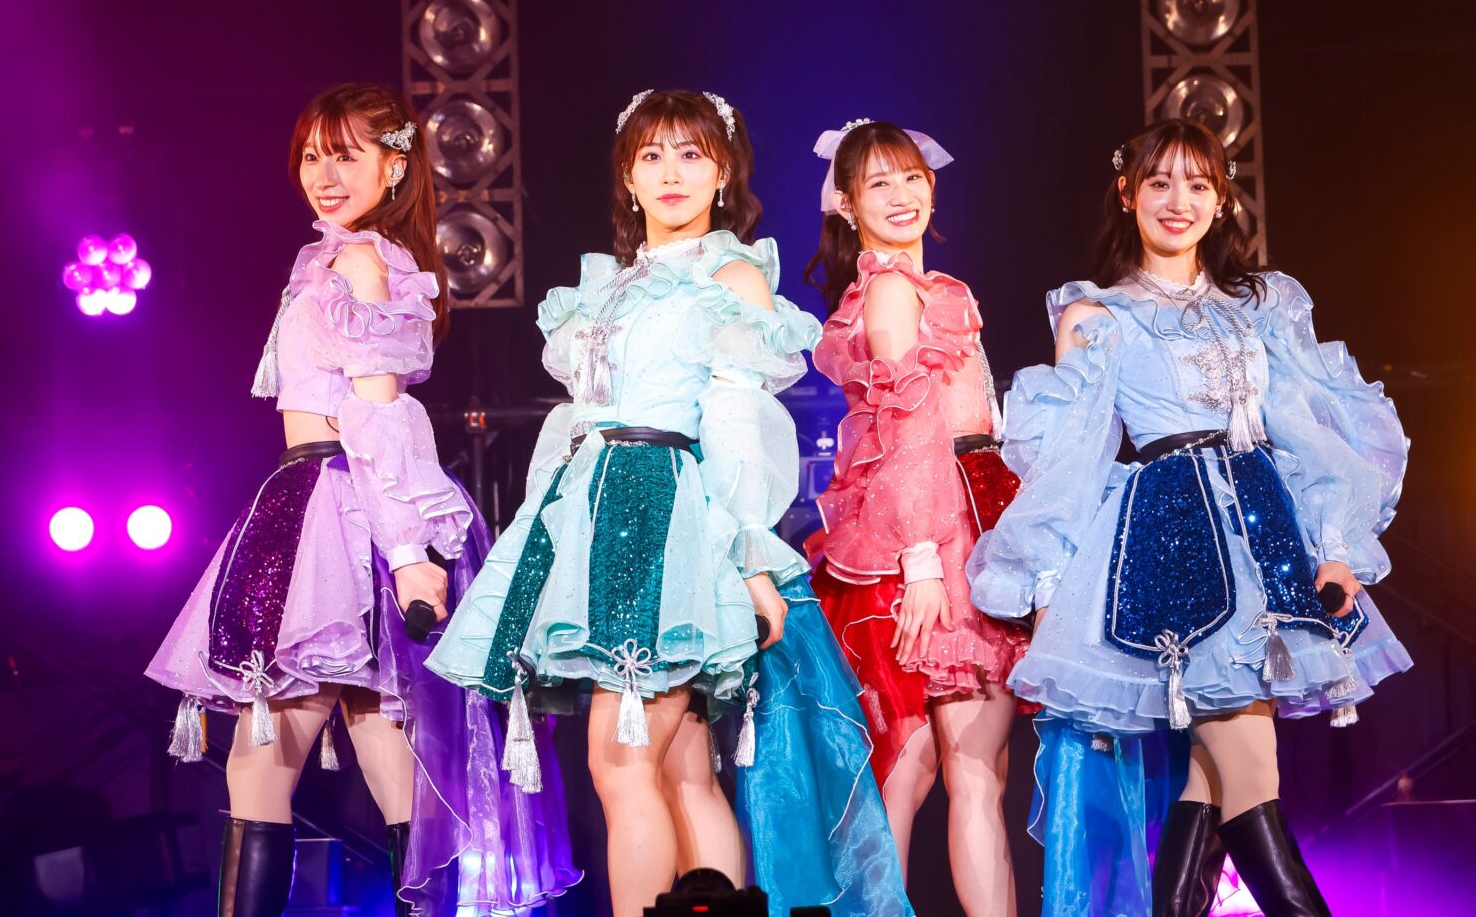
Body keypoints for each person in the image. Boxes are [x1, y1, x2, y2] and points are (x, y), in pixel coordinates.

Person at [428, 90, 908, 917]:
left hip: (658, 515)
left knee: (621, 764)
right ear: (627, 177)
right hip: (595, 510)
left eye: (691, 153)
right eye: (651, 155)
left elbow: (739, 425)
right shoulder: (611, 286)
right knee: (684, 771)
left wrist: (750, 559)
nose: (670, 172)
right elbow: (577, 421)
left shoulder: (728, 276)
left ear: (722, 173)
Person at [146, 83, 577, 916]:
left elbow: (380, 416)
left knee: (268, 763)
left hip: (341, 507)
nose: (324, 174)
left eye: (346, 155)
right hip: (311, 501)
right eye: (313, 156)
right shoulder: (333, 259)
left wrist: (409, 556)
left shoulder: (362, 262)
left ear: (395, 165)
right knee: (384, 752)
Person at [969, 118, 1411, 917]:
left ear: (1222, 198)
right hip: (1176, 545)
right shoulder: (1099, 315)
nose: (1179, 201)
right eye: (1160, 182)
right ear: (1127, 192)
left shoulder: (1259, 305)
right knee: (1251, 773)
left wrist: (1336, 545)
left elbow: (1308, 432)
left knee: (1212, 783)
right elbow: (1069, 459)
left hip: (1271, 541)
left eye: (1199, 184)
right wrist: (1043, 581)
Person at [805, 120, 1032, 917]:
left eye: (911, 178)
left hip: (975, 510)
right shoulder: (891, 289)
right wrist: (925, 561)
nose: (901, 195)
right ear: (847, 204)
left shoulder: (938, 289)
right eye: (879, 183)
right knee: (936, 769)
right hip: (933, 531)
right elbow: (905, 428)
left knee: (958, 770)